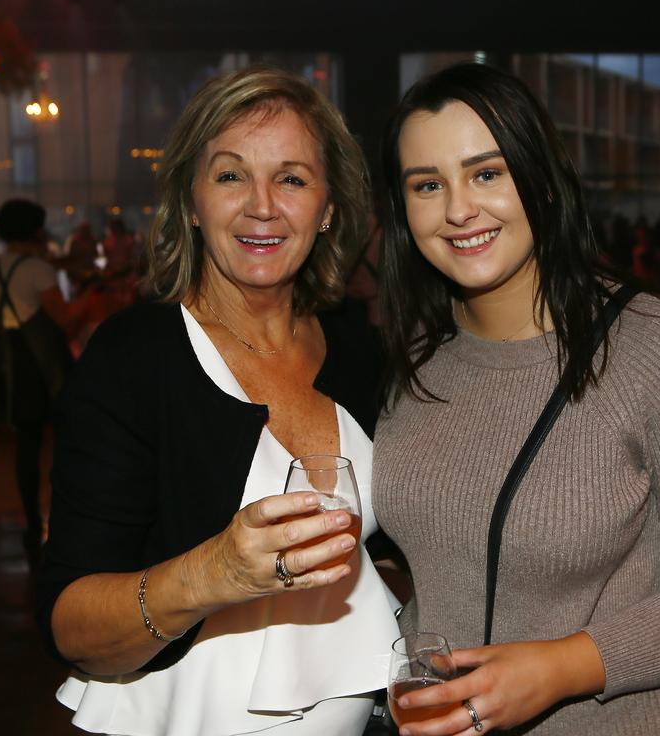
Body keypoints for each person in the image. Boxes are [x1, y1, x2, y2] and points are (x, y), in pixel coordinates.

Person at [373, 63, 660, 735]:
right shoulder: (421, 357)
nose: (458, 208)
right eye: (427, 185)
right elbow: (445, 545)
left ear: (543, 180)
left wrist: (560, 668)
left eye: (487, 173)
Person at [35, 65, 400, 735]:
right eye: (231, 175)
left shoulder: (359, 349)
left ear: (327, 210)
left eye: (291, 178)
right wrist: (218, 572)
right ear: (192, 201)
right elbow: (72, 623)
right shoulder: (135, 358)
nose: (262, 205)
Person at [0, 199, 77, 547]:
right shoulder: (38, 269)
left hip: (14, 362)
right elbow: (64, 319)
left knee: (27, 444)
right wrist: (92, 300)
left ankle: (29, 516)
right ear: (34, 229)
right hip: (46, 365)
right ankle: (68, 514)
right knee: (68, 441)